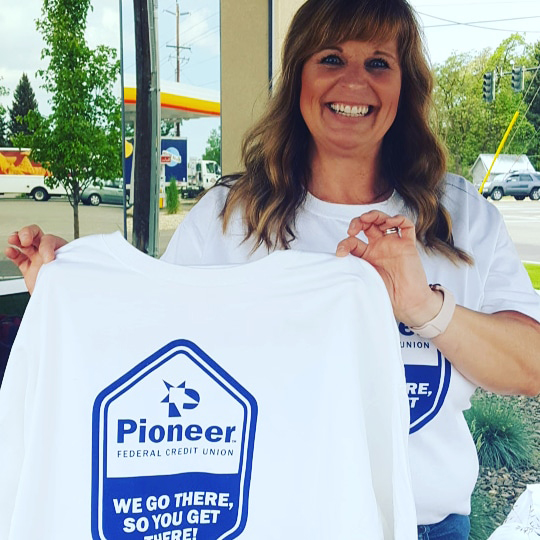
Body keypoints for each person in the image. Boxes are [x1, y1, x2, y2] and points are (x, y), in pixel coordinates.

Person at [6, 0, 540, 537]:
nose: (354, 82)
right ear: (298, 77)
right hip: (280, 519)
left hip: (430, 523)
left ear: (406, 86)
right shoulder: (228, 214)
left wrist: (424, 308)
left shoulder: (463, 216)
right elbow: (155, 342)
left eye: (378, 63)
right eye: (331, 59)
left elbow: (533, 365)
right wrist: (67, 285)